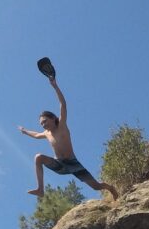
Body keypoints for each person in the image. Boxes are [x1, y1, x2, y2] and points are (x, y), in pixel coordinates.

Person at [18, 71, 119, 199]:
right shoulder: (46, 133)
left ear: (53, 118)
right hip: (59, 164)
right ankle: (40, 189)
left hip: (73, 163)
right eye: (41, 124)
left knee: (96, 186)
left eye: (45, 121)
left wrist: (55, 86)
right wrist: (25, 131)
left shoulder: (62, 125)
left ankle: (111, 188)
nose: (43, 125)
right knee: (38, 157)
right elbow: (36, 135)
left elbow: (63, 105)